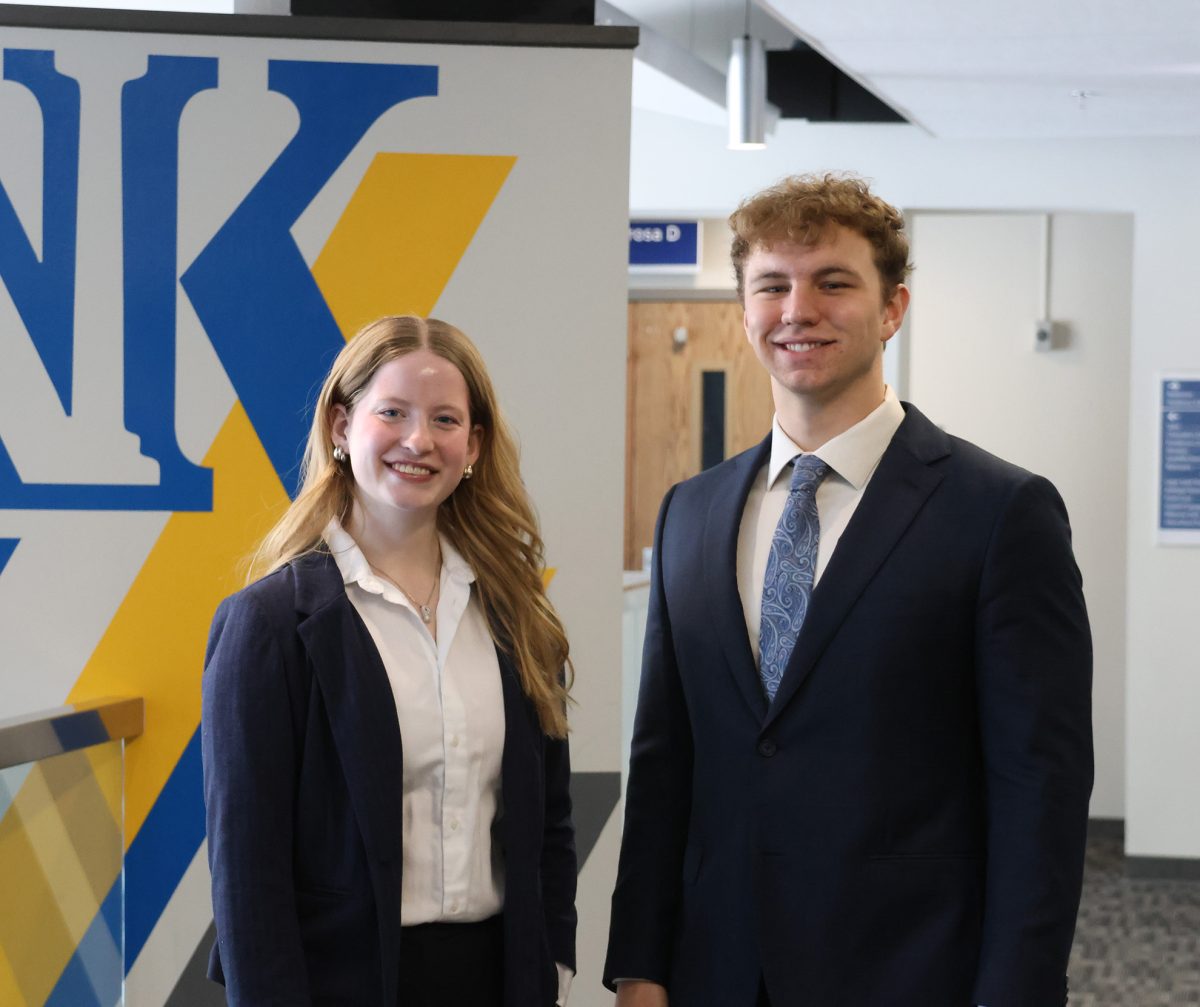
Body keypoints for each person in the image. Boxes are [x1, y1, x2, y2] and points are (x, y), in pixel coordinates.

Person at [604, 174, 1093, 1006]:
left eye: (833, 282)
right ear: (746, 308)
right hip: (716, 970)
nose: (799, 309)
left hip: (912, 969)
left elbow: (1038, 791)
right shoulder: (692, 512)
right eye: (773, 285)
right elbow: (664, 763)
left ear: (893, 308)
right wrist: (641, 962)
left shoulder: (1001, 512)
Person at [202, 315, 577, 1007]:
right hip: (340, 985)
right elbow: (247, 875)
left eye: (444, 419)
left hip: (498, 979)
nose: (419, 440)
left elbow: (546, 816)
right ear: (342, 427)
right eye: (393, 413)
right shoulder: (269, 624)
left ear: (474, 444)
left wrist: (550, 959)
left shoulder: (515, 612)